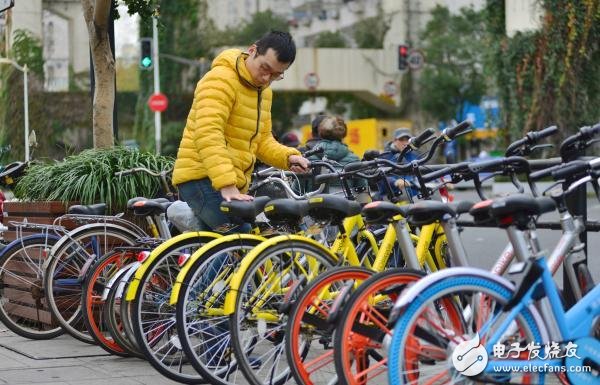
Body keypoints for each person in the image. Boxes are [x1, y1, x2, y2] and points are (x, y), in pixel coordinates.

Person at [172, 31, 309, 231]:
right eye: (265, 68)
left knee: (232, 246)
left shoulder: (263, 91)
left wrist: (288, 158)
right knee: (241, 241)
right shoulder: (220, 79)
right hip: (201, 178)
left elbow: (262, 140)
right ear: (252, 51)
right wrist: (227, 185)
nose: (266, 78)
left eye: (276, 75)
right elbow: (208, 133)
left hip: (225, 182)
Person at [308, 115, 368, 196]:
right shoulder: (354, 159)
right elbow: (363, 195)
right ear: (343, 133)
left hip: (313, 206)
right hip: (346, 206)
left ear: (320, 132)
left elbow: (297, 191)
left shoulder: (308, 159)